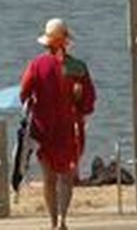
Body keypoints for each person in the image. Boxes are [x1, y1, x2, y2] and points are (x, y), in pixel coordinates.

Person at [20, 18, 96, 230]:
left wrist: (36, 99)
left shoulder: (36, 66)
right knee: (67, 177)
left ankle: (53, 222)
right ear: (66, 41)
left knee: (49, 178)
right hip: (71, 128)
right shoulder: (78, 68)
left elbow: (23, 93)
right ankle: (63, 218)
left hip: (44, 128)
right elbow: (89, 103)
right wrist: (77, 101)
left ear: (46, 43)